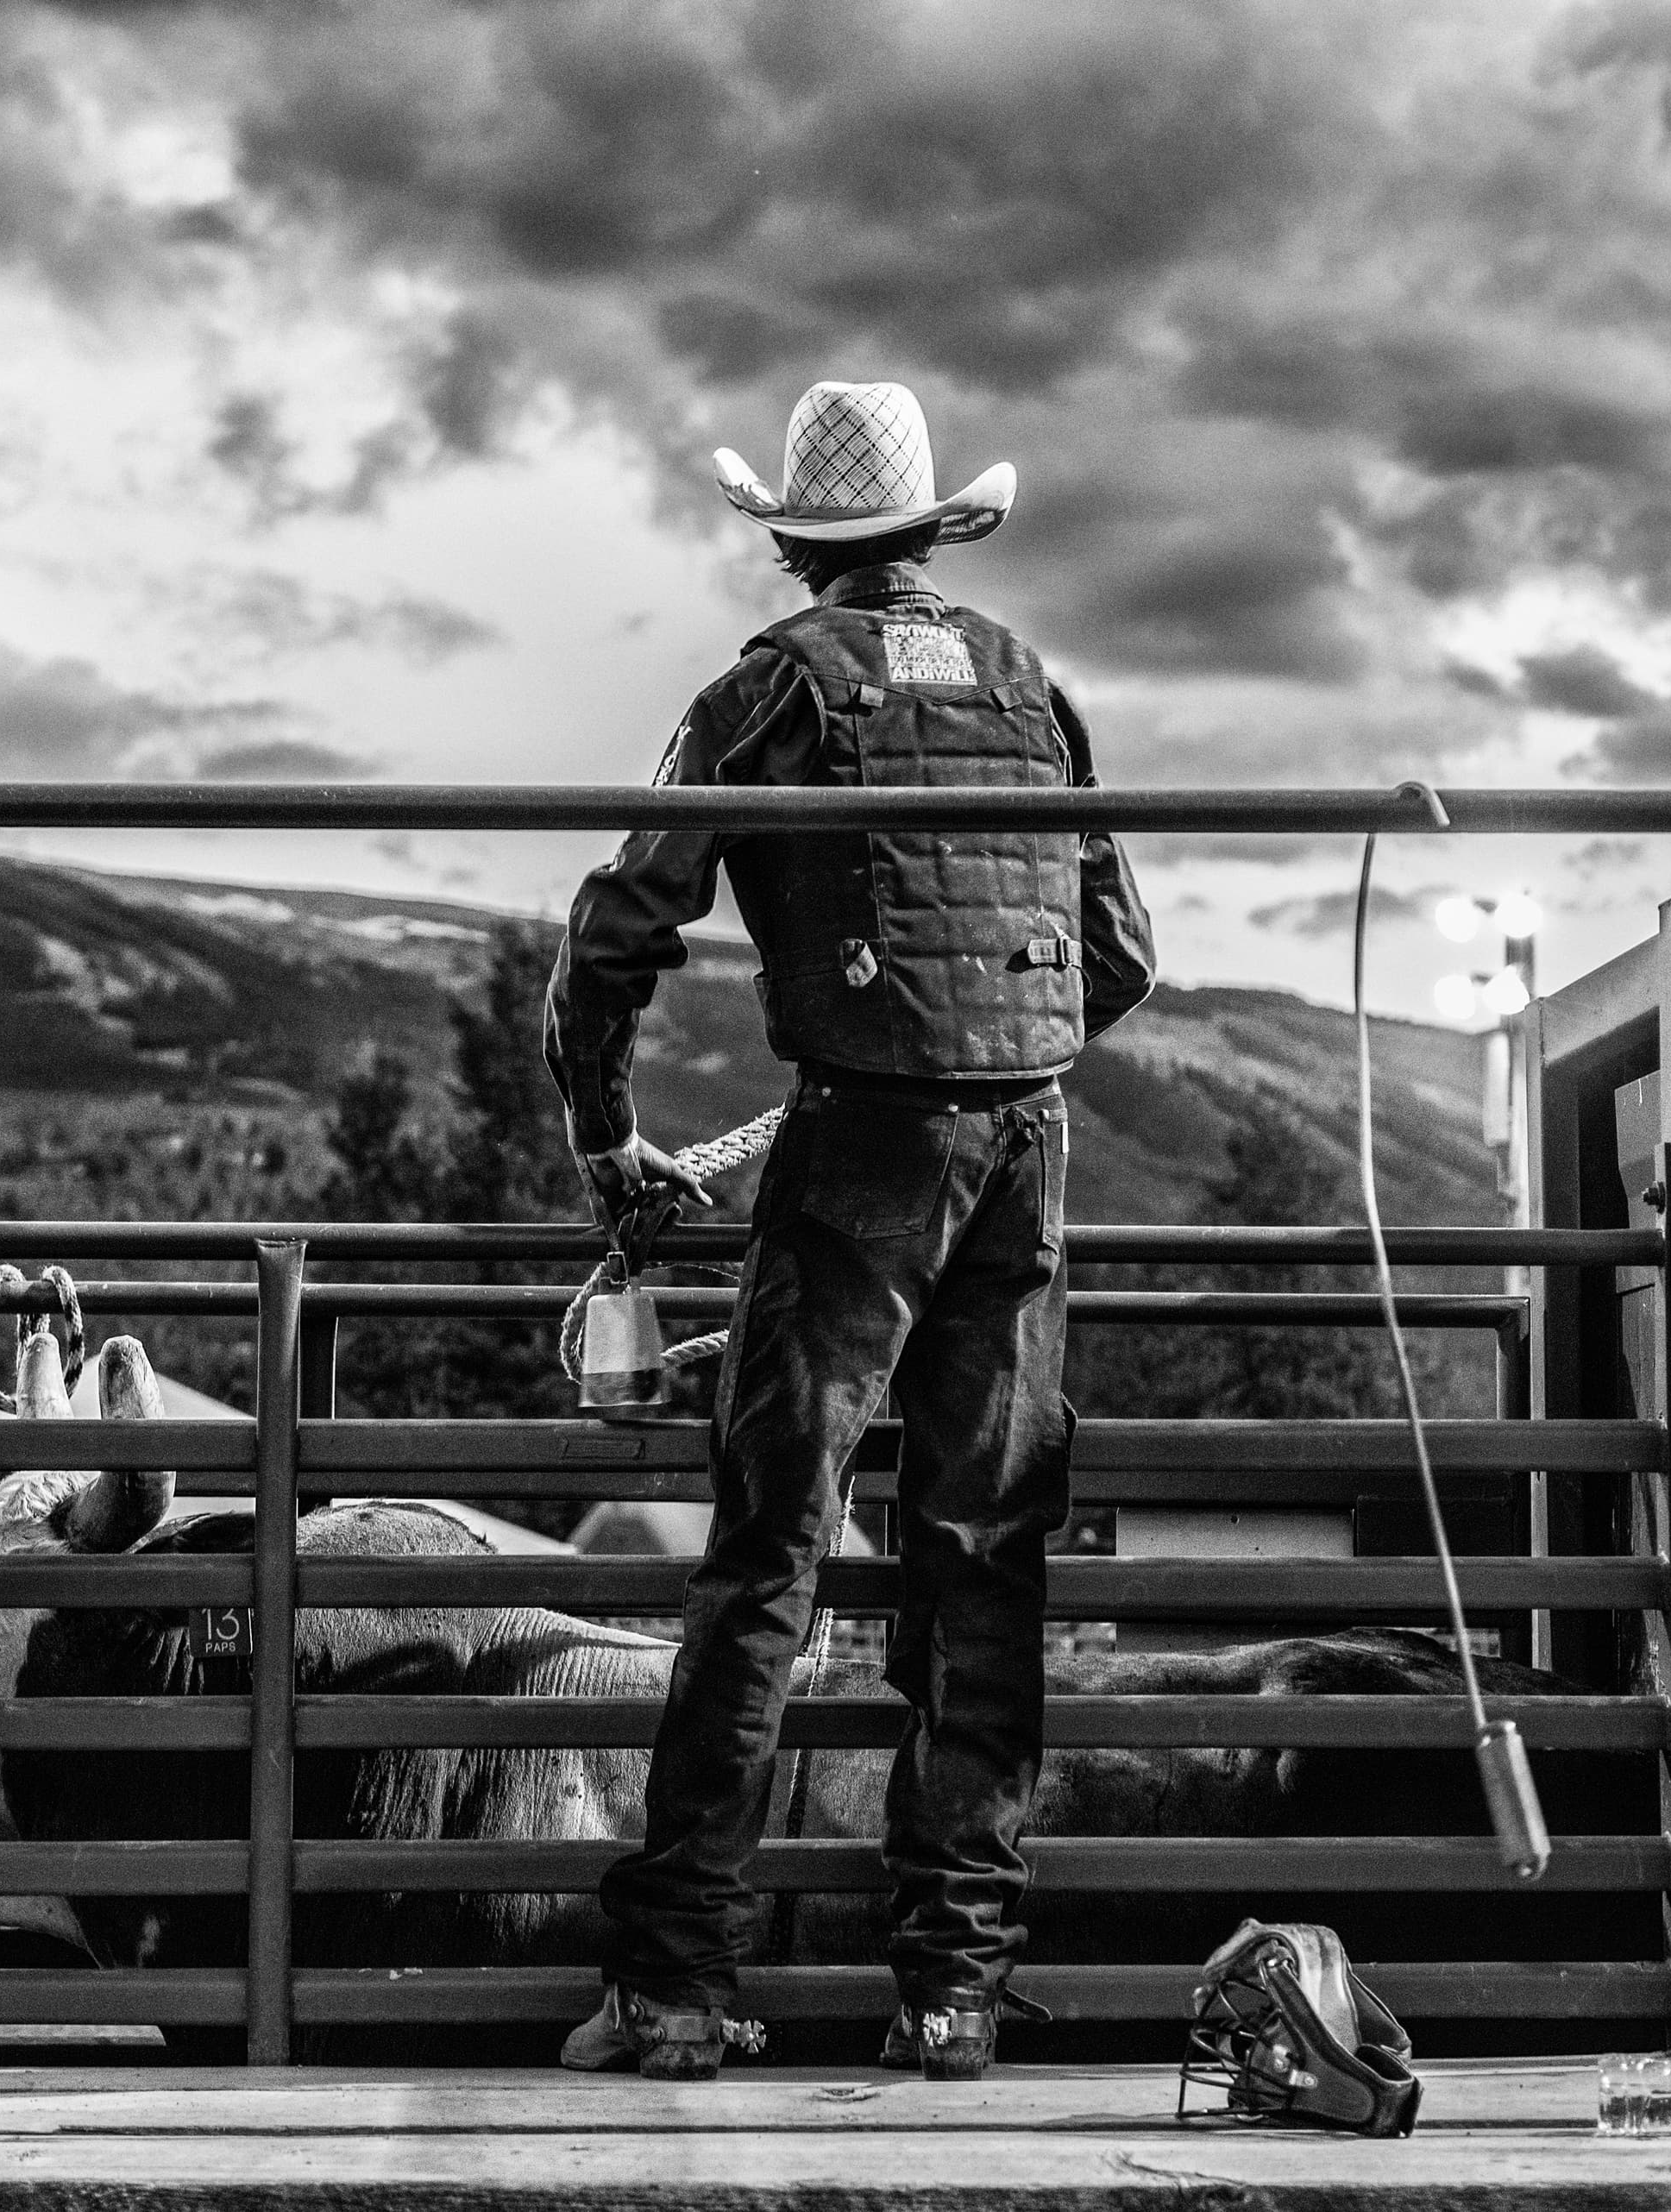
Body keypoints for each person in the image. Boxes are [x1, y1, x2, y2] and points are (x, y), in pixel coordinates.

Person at [544, 380, 1155, 2082]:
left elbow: (611, 940)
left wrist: (611, 1144)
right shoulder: (1033, 687)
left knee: (766, 1563)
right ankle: (950, 1984)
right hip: (1019, 1154)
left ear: (799, 537)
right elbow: (1121, 955)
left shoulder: (769, 690)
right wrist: (994, 1063)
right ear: (931, 526)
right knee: (985, 1559)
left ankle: (673, 1982)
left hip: (854, 1159)